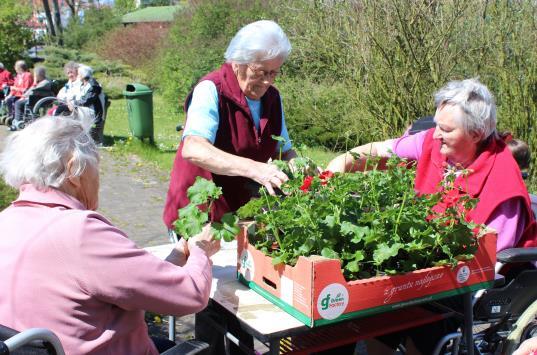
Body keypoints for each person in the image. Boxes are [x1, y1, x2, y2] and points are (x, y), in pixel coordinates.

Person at [326, 78, 537, 354]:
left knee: (410, 311)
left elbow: (489, 262)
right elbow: (379, 150)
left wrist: (421, 279)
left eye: (445, 129)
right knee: (376, 304)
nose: (435, 134)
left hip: (476, 281)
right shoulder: (433, 144)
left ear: (475, 134)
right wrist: (340, 163)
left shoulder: (502, 180)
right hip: (430, 267)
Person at [0, 112, 221, 354]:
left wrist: (178, 255)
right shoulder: (80, 232)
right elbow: (190, 295)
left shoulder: (6, 221)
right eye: (97, 169)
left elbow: (126, 283)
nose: (98, 179)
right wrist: (201, 250)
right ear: (74, 171)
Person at [162, 20, 297, 354]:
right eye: (261, 71)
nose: (267, 81)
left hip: (240, 216)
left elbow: (285, 148)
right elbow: (193, 147)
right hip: (201, 214)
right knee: (208, 302)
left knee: (239, 298)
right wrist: (256, 169)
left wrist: (301, 168)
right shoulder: (211, 90)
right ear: (238, 61)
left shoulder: (272, 98)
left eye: (275, 73)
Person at [9, 66, 55, 131]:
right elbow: (30, 92)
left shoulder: (45, 82)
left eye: (35, 75)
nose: (34, 76)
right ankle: (18, 121)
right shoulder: (41, 81)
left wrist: (34, 83)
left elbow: (33, 91)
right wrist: (24, 96)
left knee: (19, 103)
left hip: (40, 100)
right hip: (35, 98)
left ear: (38, 75)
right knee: (19, 102)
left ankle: (18, 122)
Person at [4, 60, 33, 125]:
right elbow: (13, 88)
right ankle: (12, 116)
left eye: (15, 66)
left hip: (25, 96)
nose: (14, 68)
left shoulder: (28, 75)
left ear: (19, 68)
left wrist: (15, 89)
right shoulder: (18, 76)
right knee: (9, 100)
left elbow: (26, 90)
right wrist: (9, 96)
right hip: (17, 95)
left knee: (17, 102)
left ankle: (18, 120)